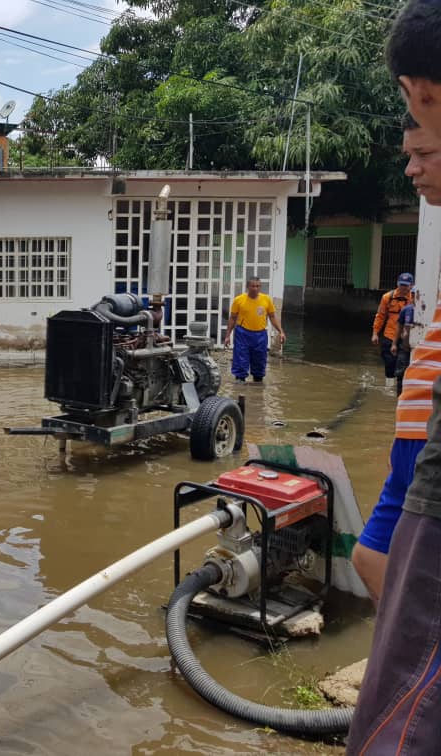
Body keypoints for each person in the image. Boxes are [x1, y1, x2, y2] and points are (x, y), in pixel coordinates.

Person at [347, 3, 441, 752]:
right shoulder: (394, 303)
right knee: (374, 555)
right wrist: (392, 353)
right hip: (412, 408)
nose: (412, 168)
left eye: (421, 144)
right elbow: (391, 330)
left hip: (421, 437)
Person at [222, 276, 286, 383]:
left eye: (258, 286)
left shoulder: (266, 299)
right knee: (241, 359)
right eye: (253, 286)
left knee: (259, 361)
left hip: (260, 335)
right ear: (248, 287)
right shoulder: (239, 300)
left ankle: (258, 386)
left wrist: (281, 331)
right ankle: (240, 382)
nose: (255, 288)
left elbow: (272, 317)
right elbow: (232, 318)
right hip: (243, 333)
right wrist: (228, 335)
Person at [371, 272, 414, 388]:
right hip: (389, 335)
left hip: (407, 338)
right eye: (401, 285)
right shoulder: (387, 297)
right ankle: (389, 388)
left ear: (411, 285)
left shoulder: (415, 298)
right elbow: (380, 316)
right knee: (389, 363)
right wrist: (375, 333)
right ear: (397, 284)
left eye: (406, 285)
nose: (403, 288)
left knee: (404, 365)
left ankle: (402, 388)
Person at [393, 301, 415, 396]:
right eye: (413, 294)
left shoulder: (429, 309)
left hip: (419, 349)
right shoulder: (407, 309)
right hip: (405, 348)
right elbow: (399, 327)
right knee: (400, 374)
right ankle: (400, 397)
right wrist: (394, 344)